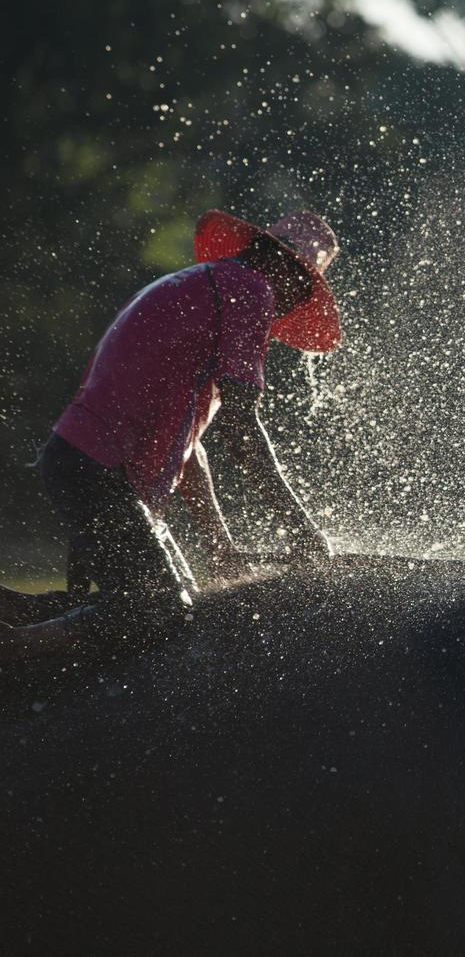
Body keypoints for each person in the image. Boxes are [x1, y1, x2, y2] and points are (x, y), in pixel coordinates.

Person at [1, 209, 342, 658]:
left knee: (120, 603)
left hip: (81, 462)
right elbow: (242, 431)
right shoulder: (251, 290)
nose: (289, 310)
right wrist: (303, 534)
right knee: (159, 609)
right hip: (96, 469)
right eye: (298, 294)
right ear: (286, 271)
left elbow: (191, 447)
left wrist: (219, 545)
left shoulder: (206, 284)